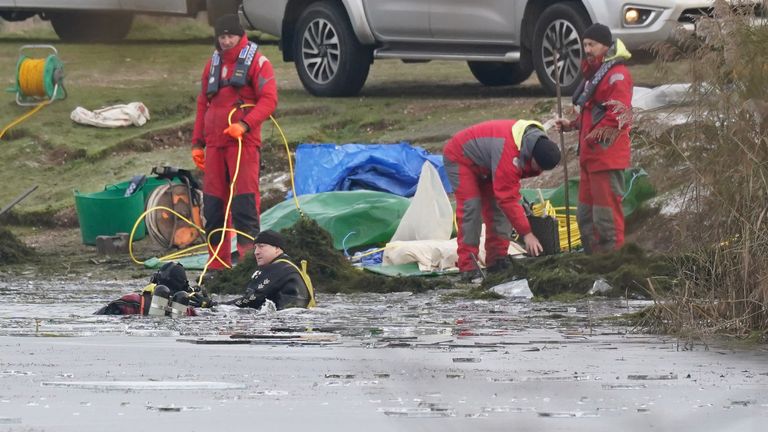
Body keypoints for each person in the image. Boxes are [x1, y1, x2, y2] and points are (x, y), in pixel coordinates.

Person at [191, 14, 278, 270]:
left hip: (243, 145)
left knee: (244, 205)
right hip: (215, 146)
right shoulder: (212, 64)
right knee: (214, 207)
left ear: (240, 36)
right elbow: (202, 105)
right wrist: (197, 143)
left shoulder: (259, 62)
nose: (226, 41)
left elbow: (269, 100)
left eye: (231, 36)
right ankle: (217, 266)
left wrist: (245, 124)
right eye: (222, 36)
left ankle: (250, 265)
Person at [443, 119, 562, 280]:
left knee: (499, 210)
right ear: (532, 156)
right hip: (461, 157)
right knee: (471, 208)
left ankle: (497, 260)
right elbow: (508, 198)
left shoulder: (535, 145)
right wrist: (527, 234)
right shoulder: (509, 153)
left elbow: (505, 201)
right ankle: (468, 266)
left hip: (488, 164)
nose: (539, 171)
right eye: (538, 167)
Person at [554, 23, 633, 254]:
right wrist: (572, 125)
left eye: (592, 44)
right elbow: (593, 113)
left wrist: (590, 138)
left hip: (606, 158)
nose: (587, 49)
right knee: (585, 219)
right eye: (585, 44)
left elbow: (619, 116)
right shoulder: (595, 75)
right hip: (590, 159)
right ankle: (594, 265)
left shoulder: (616, 75)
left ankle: (613, 268)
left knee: (606, 220)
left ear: (606, 46)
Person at [227, 230, 314, 310]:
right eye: (255, 247)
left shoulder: (278, 268)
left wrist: (222, 305)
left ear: (277, 248)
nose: (256, 252)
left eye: (261, 246)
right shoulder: (288, 267)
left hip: (287, 320)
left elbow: (254, 298)